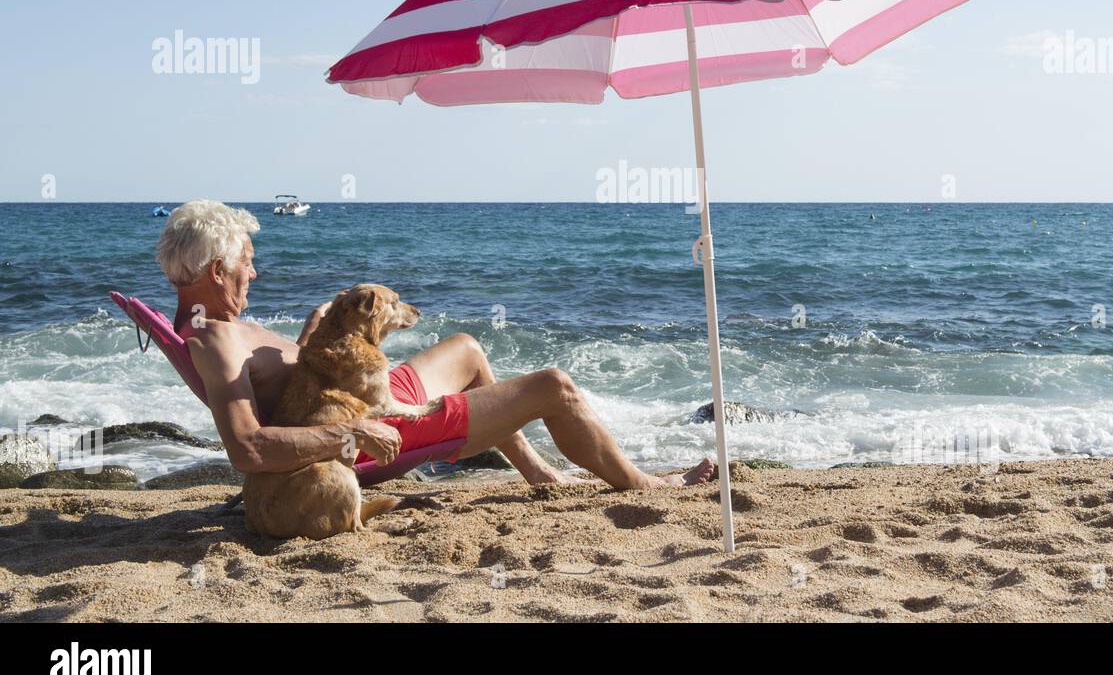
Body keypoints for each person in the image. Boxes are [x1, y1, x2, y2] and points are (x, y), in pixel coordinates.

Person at [158, 200, 716, 489]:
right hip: (372, 427)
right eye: (247, 264)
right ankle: (643, 483)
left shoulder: (221, 327)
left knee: (468, 348)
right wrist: (353, 432)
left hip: (356, 394)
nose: (254, 275)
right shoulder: (214, 339)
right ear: (216, 268)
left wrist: (311, 337)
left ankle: (539, 472)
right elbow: (248, 450)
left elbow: (289, 383)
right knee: (554, 386)